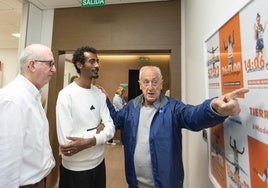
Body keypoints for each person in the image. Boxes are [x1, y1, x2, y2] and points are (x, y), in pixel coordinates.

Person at [105, 66, 249, 188]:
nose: (150, 87)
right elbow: (116, 120)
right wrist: (103, 99)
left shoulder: (173, 107)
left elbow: (193, 116)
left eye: (155, 82)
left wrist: (214, 108)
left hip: (166, 183)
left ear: (161, 84)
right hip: (135, 183)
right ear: (140, 84)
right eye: (146, 82)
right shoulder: (131, 106)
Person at [56, 46, 115, 188]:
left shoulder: (100, 94)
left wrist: (88, 141)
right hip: (74, 170)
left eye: (98, 61)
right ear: (79, 64)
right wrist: (98, 131)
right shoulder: (66, 95)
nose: (97, 65)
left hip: (99, 165)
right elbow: (67, 143)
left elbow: (111, 128)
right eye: (92, 61)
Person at [0, 44, 56, 187]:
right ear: (32, 65)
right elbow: (6, 159)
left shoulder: (33, 96)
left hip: (38, 181)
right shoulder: (14, 99)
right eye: (50, 64)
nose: (54, 70)